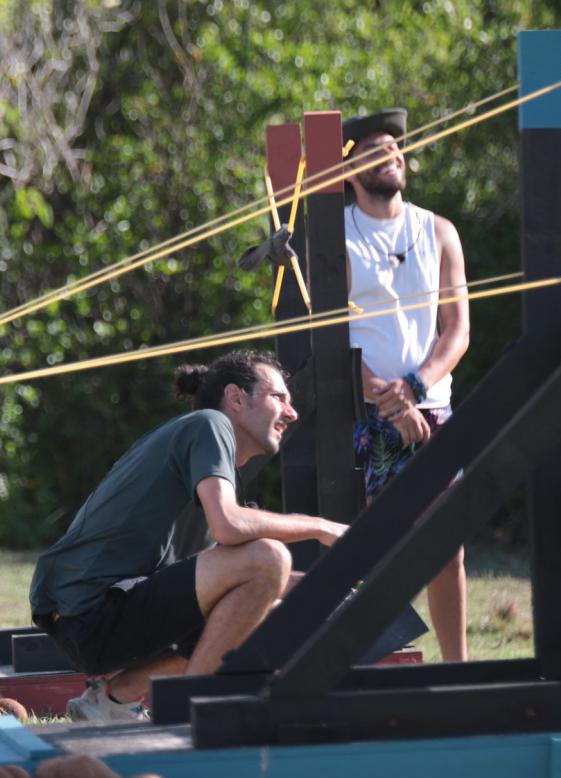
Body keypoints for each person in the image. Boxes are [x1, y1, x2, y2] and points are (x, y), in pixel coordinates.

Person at [28, 351, 348, 721]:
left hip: (93, 620)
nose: (291, 413)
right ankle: (188, 709)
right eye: (279, 397)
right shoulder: (209, 425)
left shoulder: (207, 455)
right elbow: (230, 528)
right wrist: (320, 527)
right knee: (270, 557)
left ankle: (114, 700)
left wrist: (322, 589)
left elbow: (223, 578)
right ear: (236, 398)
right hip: (91, 614)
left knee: (270, 605)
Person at [343, 108, 470, 662]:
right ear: (349, 170)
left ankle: (458, 671)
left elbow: (458, 329)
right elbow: (328, 341)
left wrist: (415, 389)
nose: (390, 156)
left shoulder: (438, 229)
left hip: (431, 407)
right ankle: (368, 660)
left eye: (396, 148)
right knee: (370, 551)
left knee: (448, 549)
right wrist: (387, 401)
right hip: (362, 415)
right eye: (374, 150)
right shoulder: (334, 238)